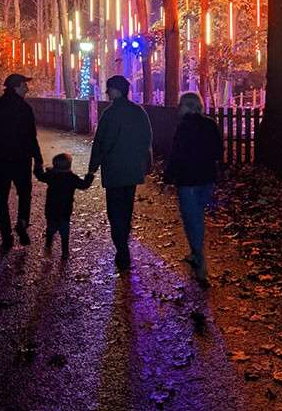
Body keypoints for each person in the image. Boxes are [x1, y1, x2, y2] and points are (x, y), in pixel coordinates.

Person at [87, 75, 152, 271]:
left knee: (115, 211)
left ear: (116, 90)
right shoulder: (138, 112)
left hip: (114, 170)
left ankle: (122, 248)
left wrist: (92, 169)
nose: (107, 92)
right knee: (126, 208)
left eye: (109, 89)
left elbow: (101, 143)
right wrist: (146, 164)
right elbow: (147, 139)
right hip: (132, 170)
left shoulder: (110, 114)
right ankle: (124, 242)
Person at [165, 92, 223, 284]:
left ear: (187, 106)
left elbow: (176, 154)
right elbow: (218, 151)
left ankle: (200, 262)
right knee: (197, 215)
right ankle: (194, 252)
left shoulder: (183, 127)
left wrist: (167, 178)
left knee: (193, 219)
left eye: (180, 105)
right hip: (206, 177)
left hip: (188, 180)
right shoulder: (210, 124)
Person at [0, 74, 43, 250]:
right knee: (24, 194)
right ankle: (22, 222)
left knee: (1, 200)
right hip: (21, 161)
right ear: (16, 87)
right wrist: (38, 159)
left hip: (0, 162)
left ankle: (6, 237)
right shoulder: (25, 109)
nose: (27, 88)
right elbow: (31, 137)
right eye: (24, 85)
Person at [35, 153, 94, 259]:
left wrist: (38, 165)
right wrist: (90, 174)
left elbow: (39, 176)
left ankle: (48, 244)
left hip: (51, 208)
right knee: (64, 231)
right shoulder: (71, 178)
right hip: (65, 210)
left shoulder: (51, 176)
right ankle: (65, 252)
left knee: (51, 227)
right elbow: (84, 185)